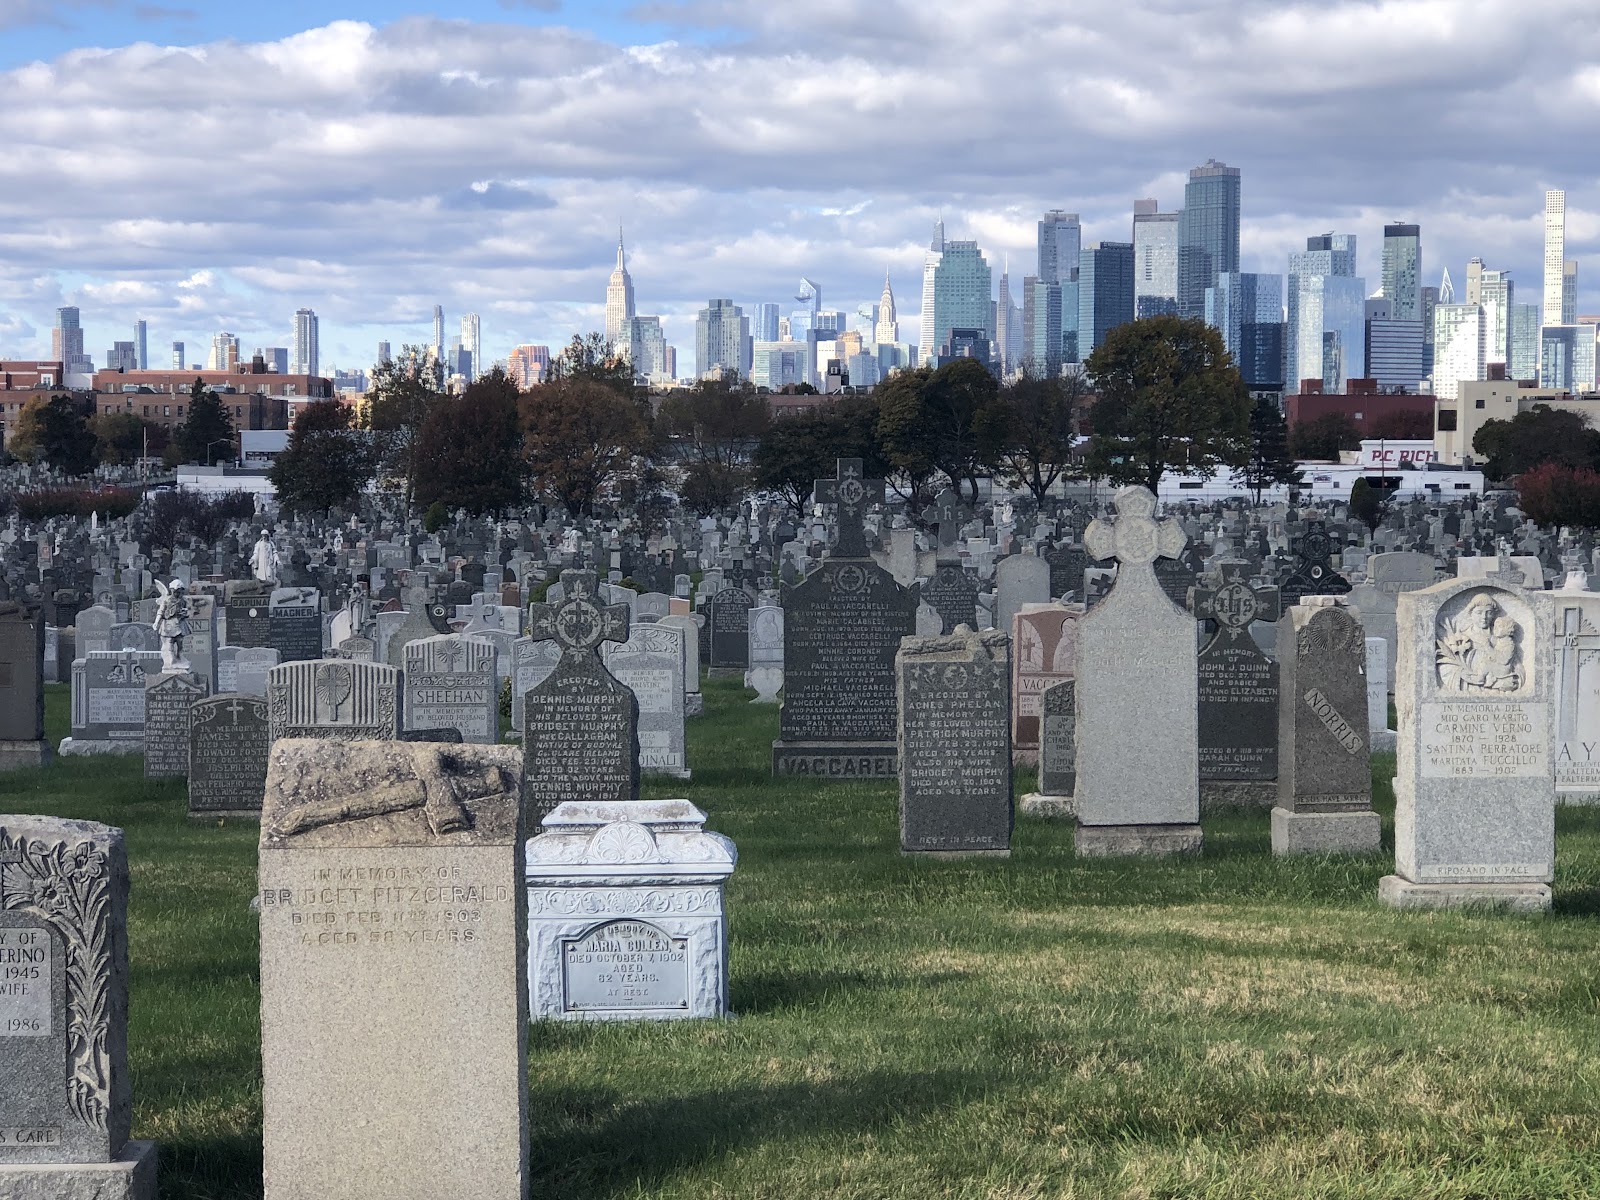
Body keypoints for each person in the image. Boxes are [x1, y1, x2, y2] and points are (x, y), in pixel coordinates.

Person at [154, 579, 192, 672]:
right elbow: (161, 611)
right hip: (169, 624)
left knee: (180, 641)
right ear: (172, 591)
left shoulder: (183, 600)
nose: (178, 594)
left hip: (179, 622)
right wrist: (156, 622)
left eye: (180, 592)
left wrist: (185, 613)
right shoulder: (166, 600)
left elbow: (186, 610)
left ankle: (180, 656)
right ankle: (171, 661)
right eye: (176, 592)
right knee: (169, 642)